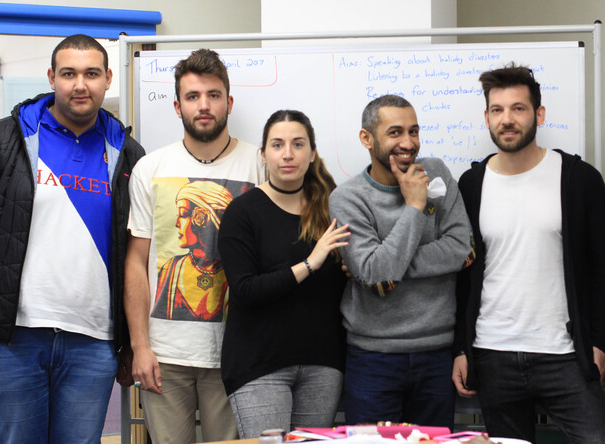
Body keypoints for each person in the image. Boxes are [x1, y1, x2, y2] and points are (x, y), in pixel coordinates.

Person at [452, 63, 605, 443]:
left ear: (538, 114)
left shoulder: (579, 179)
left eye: (518, 108)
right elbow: (462, 275)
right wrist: (461, 348)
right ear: (486, 118)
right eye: (497, 110)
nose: (507, 119)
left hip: (565, 354)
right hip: (492, 353)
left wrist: (601, 343)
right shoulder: (472, 184)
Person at [0, 34, 144, 443]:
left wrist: (131, 341)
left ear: (108, 79)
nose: (80, 85)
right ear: (51, 77)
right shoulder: (2, 141)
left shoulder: (129, 154)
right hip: (14, 337)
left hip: (93, 341)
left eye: (91, 74)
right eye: (69, 74)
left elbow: (137, 256)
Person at [124, 48, 264, 443]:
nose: (203, 105)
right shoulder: (151, 168)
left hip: (237, 353)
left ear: (228, 102)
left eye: (213, 95)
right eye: (192, 96)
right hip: (164, 356)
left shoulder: (260, 164)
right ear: (177, 106)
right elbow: (136, 262)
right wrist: (140, 346)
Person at [329, 94, 474, 429]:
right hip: (373, 359)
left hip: (437, 354)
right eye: (395, 132)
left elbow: (462, 250)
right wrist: (414, 206)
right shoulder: (347, 198)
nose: (408, 143)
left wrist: (386, 264)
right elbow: (376, 276)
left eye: (414, 131)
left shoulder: (436, 173)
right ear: (367, 138)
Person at [218, 109, 349, 438]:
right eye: (277, 145)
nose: (288, 154)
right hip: (260, 366)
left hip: (323, 364)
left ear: (312, 153)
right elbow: (246, 291)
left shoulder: (333, 210)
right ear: (263, 155)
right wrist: (310, 263)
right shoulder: (242, 213)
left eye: (298, 144)